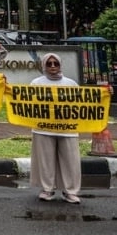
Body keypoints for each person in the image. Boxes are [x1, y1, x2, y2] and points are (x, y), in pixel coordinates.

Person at [30, 52, 81, 203]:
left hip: (68, 129)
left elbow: (83, 103)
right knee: (45, 160)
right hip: (43, 128)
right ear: (44, 65)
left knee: (71, 161)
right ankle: (47, 189)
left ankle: (71, 191)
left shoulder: (71, 84)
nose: (52, 66)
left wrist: (105, 93)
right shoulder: (36, 83)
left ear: (60, 65)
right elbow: (24, 101)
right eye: (49, 63)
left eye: (56, 63)